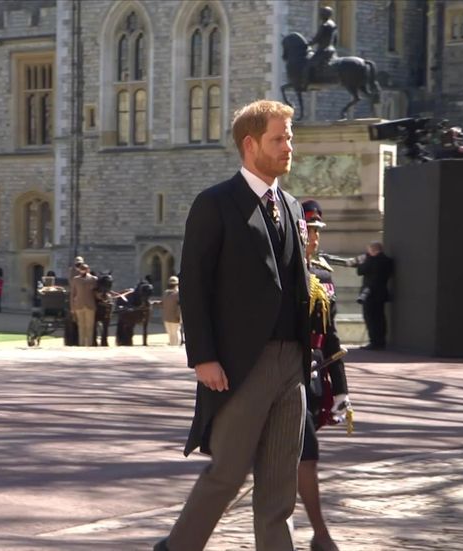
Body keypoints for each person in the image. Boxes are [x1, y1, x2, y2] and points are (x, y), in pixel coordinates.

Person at [155, 100, 310, 551]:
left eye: (290, 138)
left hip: (291, 363)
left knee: (280, 487)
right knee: (227, 473)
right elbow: (195, 286)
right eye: (278, 139)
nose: (288, 147)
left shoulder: (294, 208)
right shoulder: (215, 203)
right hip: (242, 364)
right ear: (250, 144)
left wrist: (308, 358)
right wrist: (202, 356)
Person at [298, 200, 351, 551]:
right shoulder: (277, 269)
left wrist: (342, 389)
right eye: (309, 231)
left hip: (313, 377)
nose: (314, 239)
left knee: (300, 455)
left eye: (317, 232)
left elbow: (330, 336)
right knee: (303, 454)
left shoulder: (323, 274)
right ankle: (321, 535)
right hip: (278, 373)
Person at [351, 241, 393, 350]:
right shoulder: (387, 261)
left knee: (370, 318)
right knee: (380, 318)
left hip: (369, 294)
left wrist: (361, 261)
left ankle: (374, 341)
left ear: (373, 250)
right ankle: (381, 341)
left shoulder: (371, 261)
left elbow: (360, 271)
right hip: (381, 293)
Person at [70, 263, 98, 347]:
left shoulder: (93, 279)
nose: (83, 271)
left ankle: (89, 343)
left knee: (90, 325)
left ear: (88, 270)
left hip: (90, 305)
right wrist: (72, 307)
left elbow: (97, 292)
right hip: (79, 305)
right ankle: (81, 343)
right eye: (81, 269)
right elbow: (73, 294)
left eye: (85, 269)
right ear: (79, 270)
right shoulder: (76, 279)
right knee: (81, 326)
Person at [307, 6, 338, 73]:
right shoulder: (333, 24)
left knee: (308, 64)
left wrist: (308, 43)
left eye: (321, 13)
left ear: (324, 14)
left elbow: (317, 38)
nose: (320, 15)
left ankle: (305, 81)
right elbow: (335, 39)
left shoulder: (325, 25)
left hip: (323, 50)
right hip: (332, 50)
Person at [162, 275, 182, 346]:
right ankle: (173, 345)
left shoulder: (178, 293)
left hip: (173, 317)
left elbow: (179, 306)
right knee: (171, 334)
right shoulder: (166, 293)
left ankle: (175, 346)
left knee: (175, 333)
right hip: (168, 317)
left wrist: (179, 317)